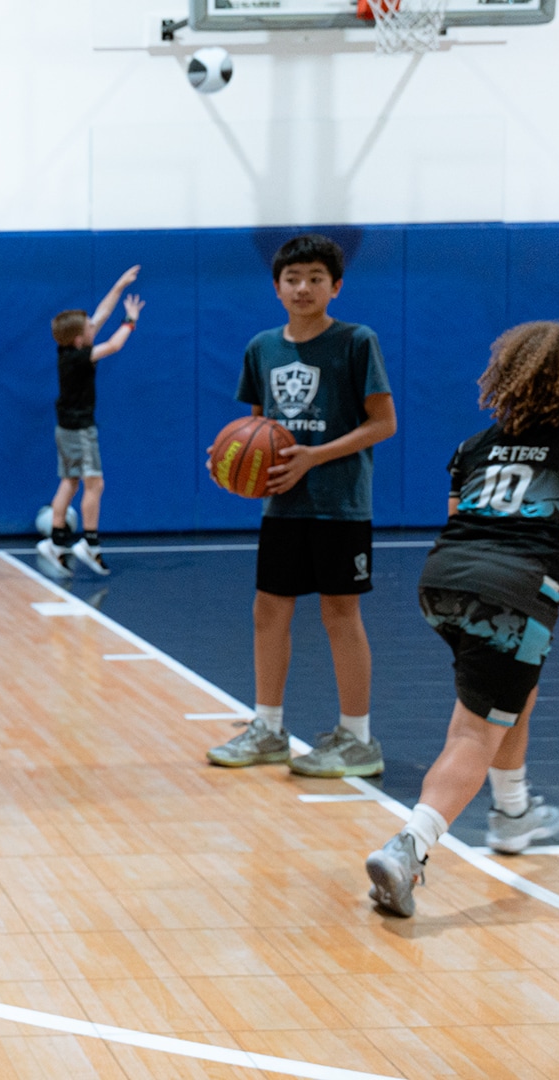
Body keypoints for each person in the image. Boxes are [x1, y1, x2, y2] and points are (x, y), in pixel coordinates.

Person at [365, 321, 559, 917]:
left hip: (443, 580)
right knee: (473, 731)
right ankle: (409, 848)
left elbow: (467, 520)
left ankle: (512, 813)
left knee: (509, 693)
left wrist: (544, 561)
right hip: (512, 593)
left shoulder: (475, 445)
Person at [206, 233, 397, 779]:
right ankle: (267, 729)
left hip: (340, 503)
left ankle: (358, 738)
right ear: (276, 288)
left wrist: (314, 456)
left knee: (340, 613)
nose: (303, 286)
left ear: (336, 286)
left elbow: (383, 423)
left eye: (316, 277)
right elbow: (256, 427)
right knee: (268, 610)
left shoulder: (357, 341)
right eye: (293, 278)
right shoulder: (262, 347)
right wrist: (228, 459)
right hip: (285, 506)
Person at [35, 266, 143, 576]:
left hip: (64, 427)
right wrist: (131, 320)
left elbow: (101, 314)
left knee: (69, 481)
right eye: (90, 327)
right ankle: (89, 544)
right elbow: (114, 345)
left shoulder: (68, 348)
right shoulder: (79, 357)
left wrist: (120, 285)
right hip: (79, 429)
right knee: (94, 483)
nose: (95, 326)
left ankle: (55, 544)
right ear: (81, 338)